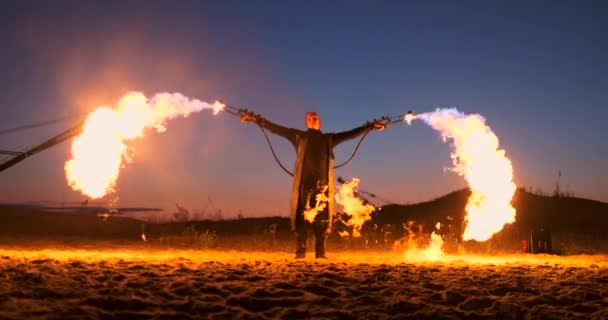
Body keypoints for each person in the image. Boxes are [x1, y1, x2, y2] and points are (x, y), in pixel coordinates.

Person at [240, 111, 388, 258]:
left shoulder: (328, 139)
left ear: (319, 121)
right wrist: (256, 119)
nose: (313, 118)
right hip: (304, 185)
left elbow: (350, 134)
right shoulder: (299, 136)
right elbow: (276, 128)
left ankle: (320, 253)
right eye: (310, 117)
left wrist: (370, 127)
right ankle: (300, 252)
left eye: (315, 116)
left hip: (322, 187)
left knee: (322, 220)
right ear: (307, 122)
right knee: (301, 218)